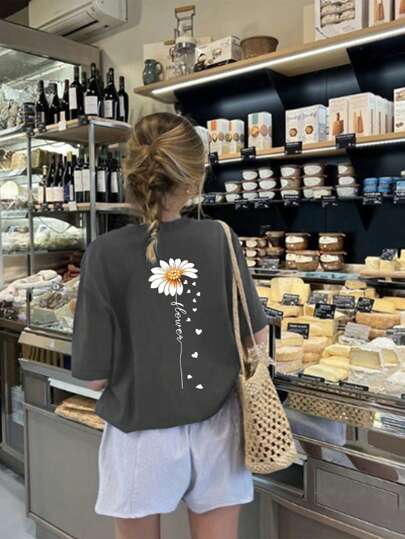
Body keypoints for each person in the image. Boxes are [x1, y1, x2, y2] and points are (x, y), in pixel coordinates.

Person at [72, 112, 268, 539]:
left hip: (140, 434)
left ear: (131, 173)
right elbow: (256, 339)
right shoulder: (221, 238)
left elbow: (93, 376)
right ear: (194, 177)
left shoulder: (103, 253)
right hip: (219, 428)